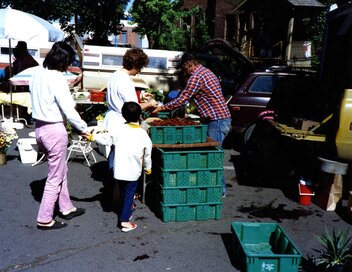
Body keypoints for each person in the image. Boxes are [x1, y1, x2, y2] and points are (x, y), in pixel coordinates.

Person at [152, 53, 231, 197]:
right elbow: (206, 99)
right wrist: (192, 113)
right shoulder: (206, 72)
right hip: (216, 119)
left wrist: (161, 108)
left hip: (217, 121)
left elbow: (183, 98)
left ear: (189, 64)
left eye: (184, 68)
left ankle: (220, 192)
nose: (184, 71)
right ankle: (212, 189)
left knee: (213, 157)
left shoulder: (197, 76)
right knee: (211, 157)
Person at [30, 41, 88, 230]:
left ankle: (66, 207)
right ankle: (45, 218)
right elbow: (69, 110)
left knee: (61, 169)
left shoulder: (37, 73)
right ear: (63, 60)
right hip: (54, 129)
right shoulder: (57, 79)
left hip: (40, 128)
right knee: (55, 176)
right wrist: (85, 128)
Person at [85, 101, 152, 232]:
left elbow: (105, 139)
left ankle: (124, 207)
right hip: (133, 171)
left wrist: (92, 137)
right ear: (140, 116)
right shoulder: (143, 134)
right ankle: (124, 221)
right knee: (129, 193)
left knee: (122, 190)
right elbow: (147, 153)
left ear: (123, 115)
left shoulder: (118, 130)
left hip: (119, 170)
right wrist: (148, 167)